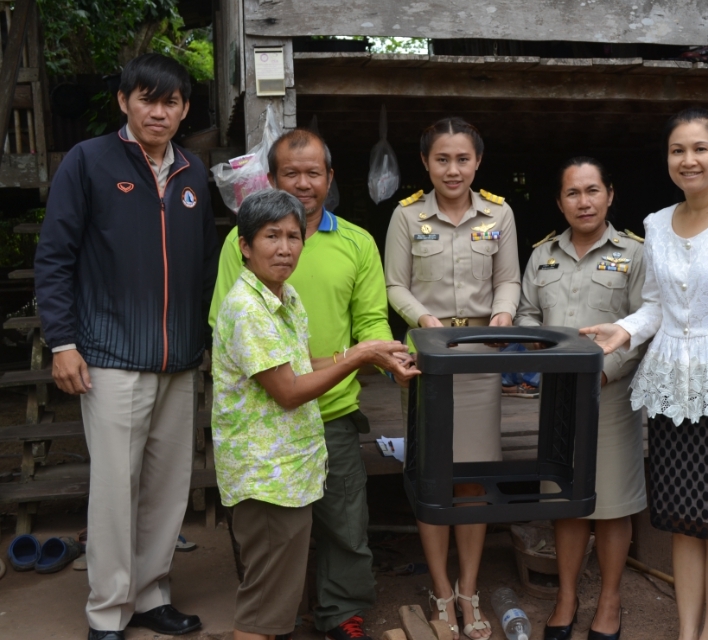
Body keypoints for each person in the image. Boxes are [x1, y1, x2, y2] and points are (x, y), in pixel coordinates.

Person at [581, 108, 708, 640]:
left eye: (700, 149)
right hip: (673, 389)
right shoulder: (656, 224)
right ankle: (686, 631)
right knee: (683, 520)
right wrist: (623, 330)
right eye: (678, 150)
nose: (688, 160)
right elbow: (657, 306)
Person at [34, 53, 217, 640]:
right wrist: (62, 341)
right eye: (147, 99)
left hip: (180, 359)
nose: (158, 112)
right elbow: (54, 257)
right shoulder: (88, 161)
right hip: (109, 357)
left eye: (170, 102)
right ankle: (108, 611)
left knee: (166, 489)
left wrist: (205, 341)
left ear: (184, 110)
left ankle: (151, 595)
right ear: (124, 101)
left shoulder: (193, 172)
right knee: (116, 490)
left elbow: (206, 268)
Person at [209, 128, 407, 640]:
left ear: (330, 178)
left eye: (313, 173)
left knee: (342, 527)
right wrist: (361, 355)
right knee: (273, 554)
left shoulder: (341, 253)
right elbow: (254, 352)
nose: (303, 183)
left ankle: (341, 614)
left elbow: (365, 324)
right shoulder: (246, 274)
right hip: (266, 441)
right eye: (290, 173)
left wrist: (384, 355)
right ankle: (275, 620)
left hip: (328, 414)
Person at [384, 117, 521, 640]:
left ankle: (469, 589)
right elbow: (395, 284)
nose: (453, 169)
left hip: (480, 359)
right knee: (434, 474)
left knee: (473, 478)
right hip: (430, 359)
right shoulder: (407, 215)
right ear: (426, 163)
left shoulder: (499, 213)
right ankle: (441, 591)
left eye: (463, 159)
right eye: (442, 159)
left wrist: (503, 314)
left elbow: (508, 279)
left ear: (477, 161)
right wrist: (424, 320)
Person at [515, 157, 647, 640]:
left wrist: (603, 373)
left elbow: (644, 326)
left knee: (611, 505)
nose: (584, 201)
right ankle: (566, 597)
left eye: (593, 191)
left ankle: (609, 600)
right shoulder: (542, 255)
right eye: (573, 193)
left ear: (609, 195)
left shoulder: (634, 254)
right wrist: (543, 353)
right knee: (565, 500)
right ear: (560, 202)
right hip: (558, 397)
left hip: (611, 397)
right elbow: (526, 314)